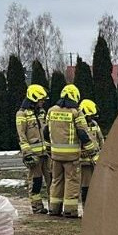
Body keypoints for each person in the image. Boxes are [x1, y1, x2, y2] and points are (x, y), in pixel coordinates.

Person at [44, 84, 97, 218]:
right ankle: (70, 210)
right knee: (71, 181)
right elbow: (83, 133)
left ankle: (54, 208)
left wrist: (49, 148)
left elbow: (46, 131)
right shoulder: (75, 112)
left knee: (56, 181)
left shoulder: (51, 111)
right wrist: (92, 151)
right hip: (71, 156)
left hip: (55, 155)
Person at [16, 84, 52, 214]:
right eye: (41, 100)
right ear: (34, 98)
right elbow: (22, 136)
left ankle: (54, 206)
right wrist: (27, 153)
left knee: (52, 181)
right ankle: (37, 207)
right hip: (34, 155)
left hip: (46, 154)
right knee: (36, 182)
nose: (43, 102)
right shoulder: (22, 114)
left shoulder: (42, 112)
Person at [78, 99, 105, 208]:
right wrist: (81, 153)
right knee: (86, 186)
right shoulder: (79, 126)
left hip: (96, 161)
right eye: (90, 116)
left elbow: (100, 139)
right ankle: (86, 206)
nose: (91, 118)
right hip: (84, 162)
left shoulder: (94, 124)